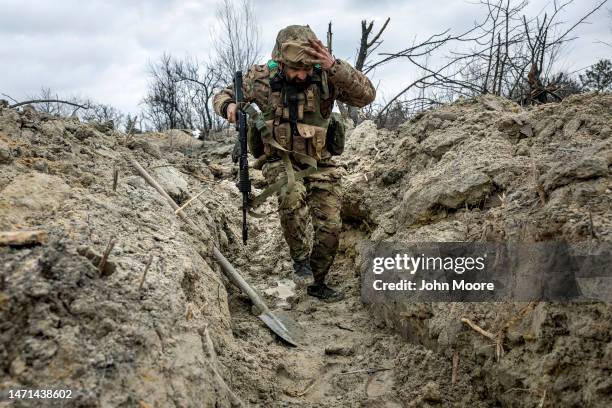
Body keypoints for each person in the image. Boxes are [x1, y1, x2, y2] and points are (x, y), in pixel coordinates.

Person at [213, 25, 375, 302]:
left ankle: (318, 280)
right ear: (281, 62)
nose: (301, 75)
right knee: (292, 193)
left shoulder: (327, 75)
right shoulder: (262, 79)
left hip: (320, 162)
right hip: (279, 159)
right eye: (295, 69)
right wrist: (228, 106)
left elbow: (366, 96)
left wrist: (334, 66)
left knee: (331, 225)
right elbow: (222, 95)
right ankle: (300, 261)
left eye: (307, 69)